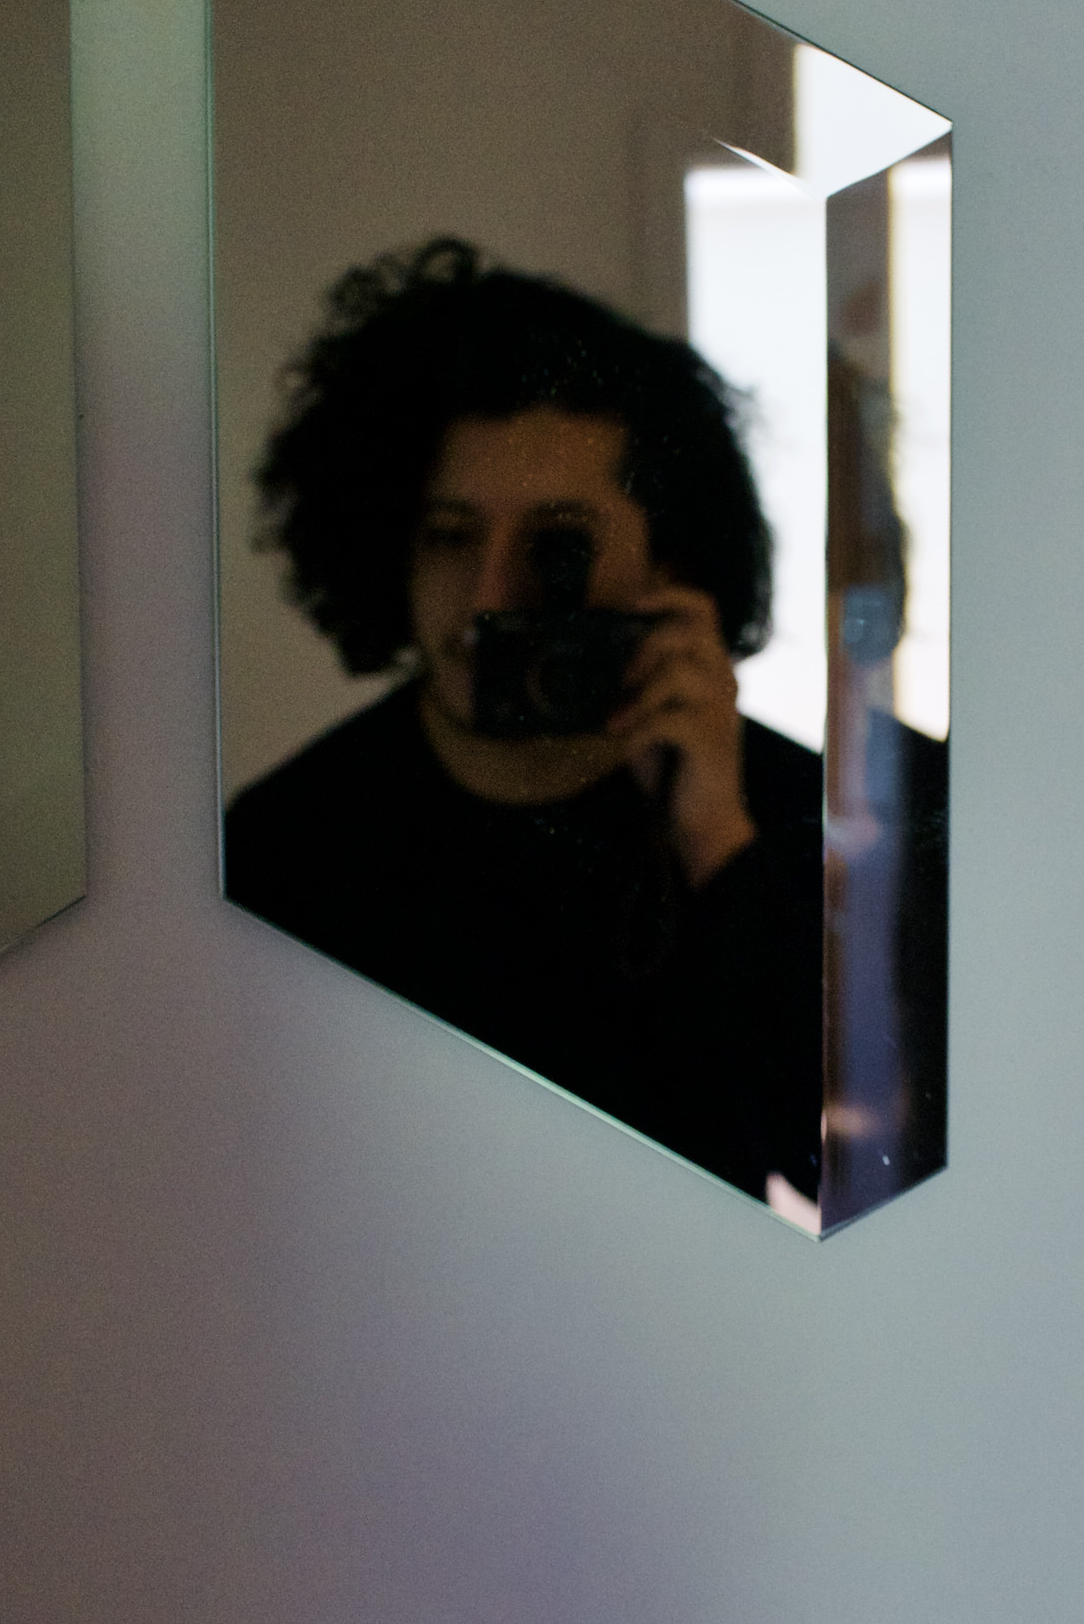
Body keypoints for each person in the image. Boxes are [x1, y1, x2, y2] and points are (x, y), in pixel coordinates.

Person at [225, 238, 823, 1203]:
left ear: (668, 561)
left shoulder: (789, 817)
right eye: (451, 537)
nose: (489, 596)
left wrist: (718, 844)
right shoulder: (279, 851)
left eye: (556, 546)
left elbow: (852, 1169)